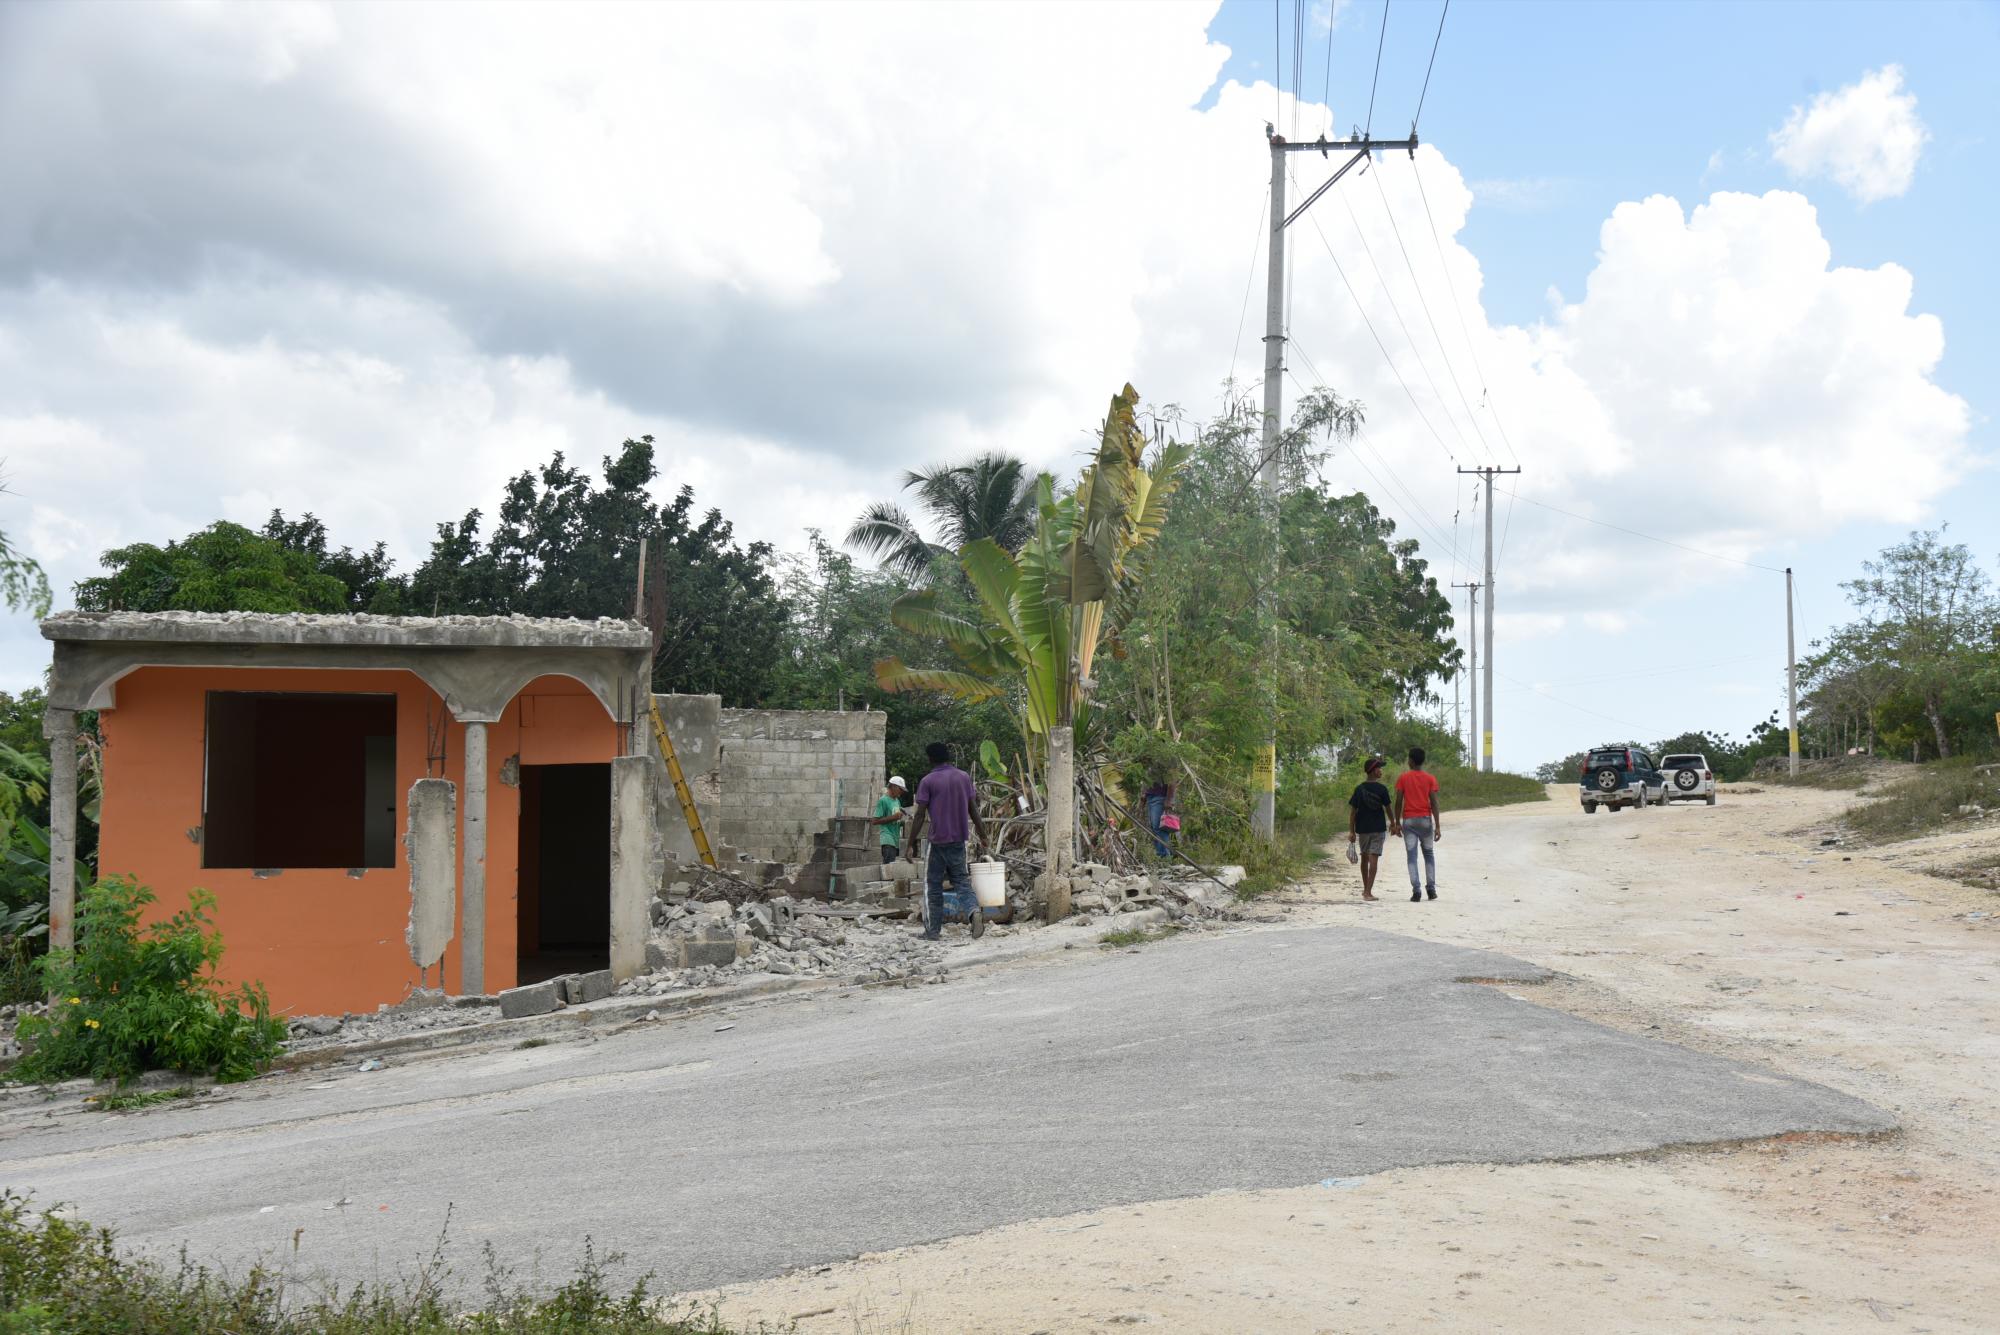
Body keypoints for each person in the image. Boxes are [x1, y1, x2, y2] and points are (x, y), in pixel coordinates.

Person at [905, 742, 988, 941]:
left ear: (930, 758)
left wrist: (911, 843)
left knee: (932, 885)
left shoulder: (928, 781)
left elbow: (919, 815)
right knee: (961, 881)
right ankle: (973, 911)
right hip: (959, 840)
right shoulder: (964, 777)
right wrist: (983, 834)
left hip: (938, 841)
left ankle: (932, 931)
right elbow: (973, 809)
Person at [1390, 746, 1443, 902]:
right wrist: (1437, 825)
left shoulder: (1403, 778)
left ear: (1411, 761)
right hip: (1426, 821)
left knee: (1412, 857)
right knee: (1429, 855)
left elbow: (1399, 801)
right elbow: (1434, 803)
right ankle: (1431, 889)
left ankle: (1416, 890)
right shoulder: (1430, 778)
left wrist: (1397, 823)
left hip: (1409, 822)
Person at [1346, 756, 1392, 901]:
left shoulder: (1359, 789)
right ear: (1373, 771)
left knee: (1365, 858)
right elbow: (1388, 809)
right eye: (1379, 768)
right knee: (1373, 860)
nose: (1381, 771)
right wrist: (1394, 823)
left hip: (1363, 829)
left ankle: (1366, 889)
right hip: (1378, 829)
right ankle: (1367, 892)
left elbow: (1353, 812)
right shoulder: (1382, 789)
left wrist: (1352, 831)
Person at [870, 776, 908, 865]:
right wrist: (893, 817)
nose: (902, 792)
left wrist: (904, 821)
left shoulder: (897, 800)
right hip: (887, 838)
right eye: (900, 789)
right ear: (893, 786)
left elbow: (896, 819)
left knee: (891, 870)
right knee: (888, 869)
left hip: (895, 839)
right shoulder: (883, 800)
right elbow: (874, 821)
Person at [1142, 777, 1176, 859]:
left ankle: (1164, 856)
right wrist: (1144, 795)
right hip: (1150, 797)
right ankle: (1162, 855)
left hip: (1160, 797)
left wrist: (1169, 800)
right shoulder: (1150, 765)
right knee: (1155, 829)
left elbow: (1172, 778)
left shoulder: (1165, 765)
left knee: (1159, 828)